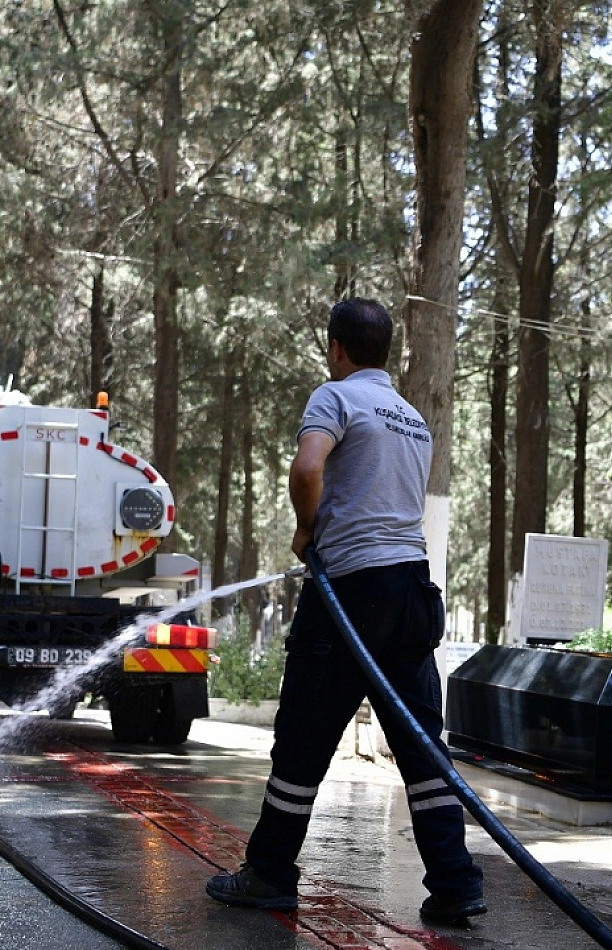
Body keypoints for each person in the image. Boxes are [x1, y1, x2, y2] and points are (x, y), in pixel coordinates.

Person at [205, 298, 486, 925]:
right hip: (412, 593)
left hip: (349, 595)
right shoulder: (414, 418)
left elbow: (309, 467)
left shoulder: (335, 397)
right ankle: (456, 884)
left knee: (302, 737)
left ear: (337, 348)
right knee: (421, 748)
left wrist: (307, 531)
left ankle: (270, 873)